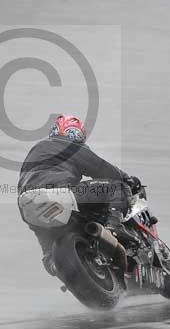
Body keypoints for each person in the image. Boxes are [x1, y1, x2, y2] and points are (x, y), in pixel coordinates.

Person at [17, 114, 141, 275]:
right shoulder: (69, 146)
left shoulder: (36, 150)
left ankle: (49, 257)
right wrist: (127, 179)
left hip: (27, 202)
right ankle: (114, 226)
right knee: (116, 187)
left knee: (44, 232)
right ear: (77, 134)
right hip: (60, 192)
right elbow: (101, 168)